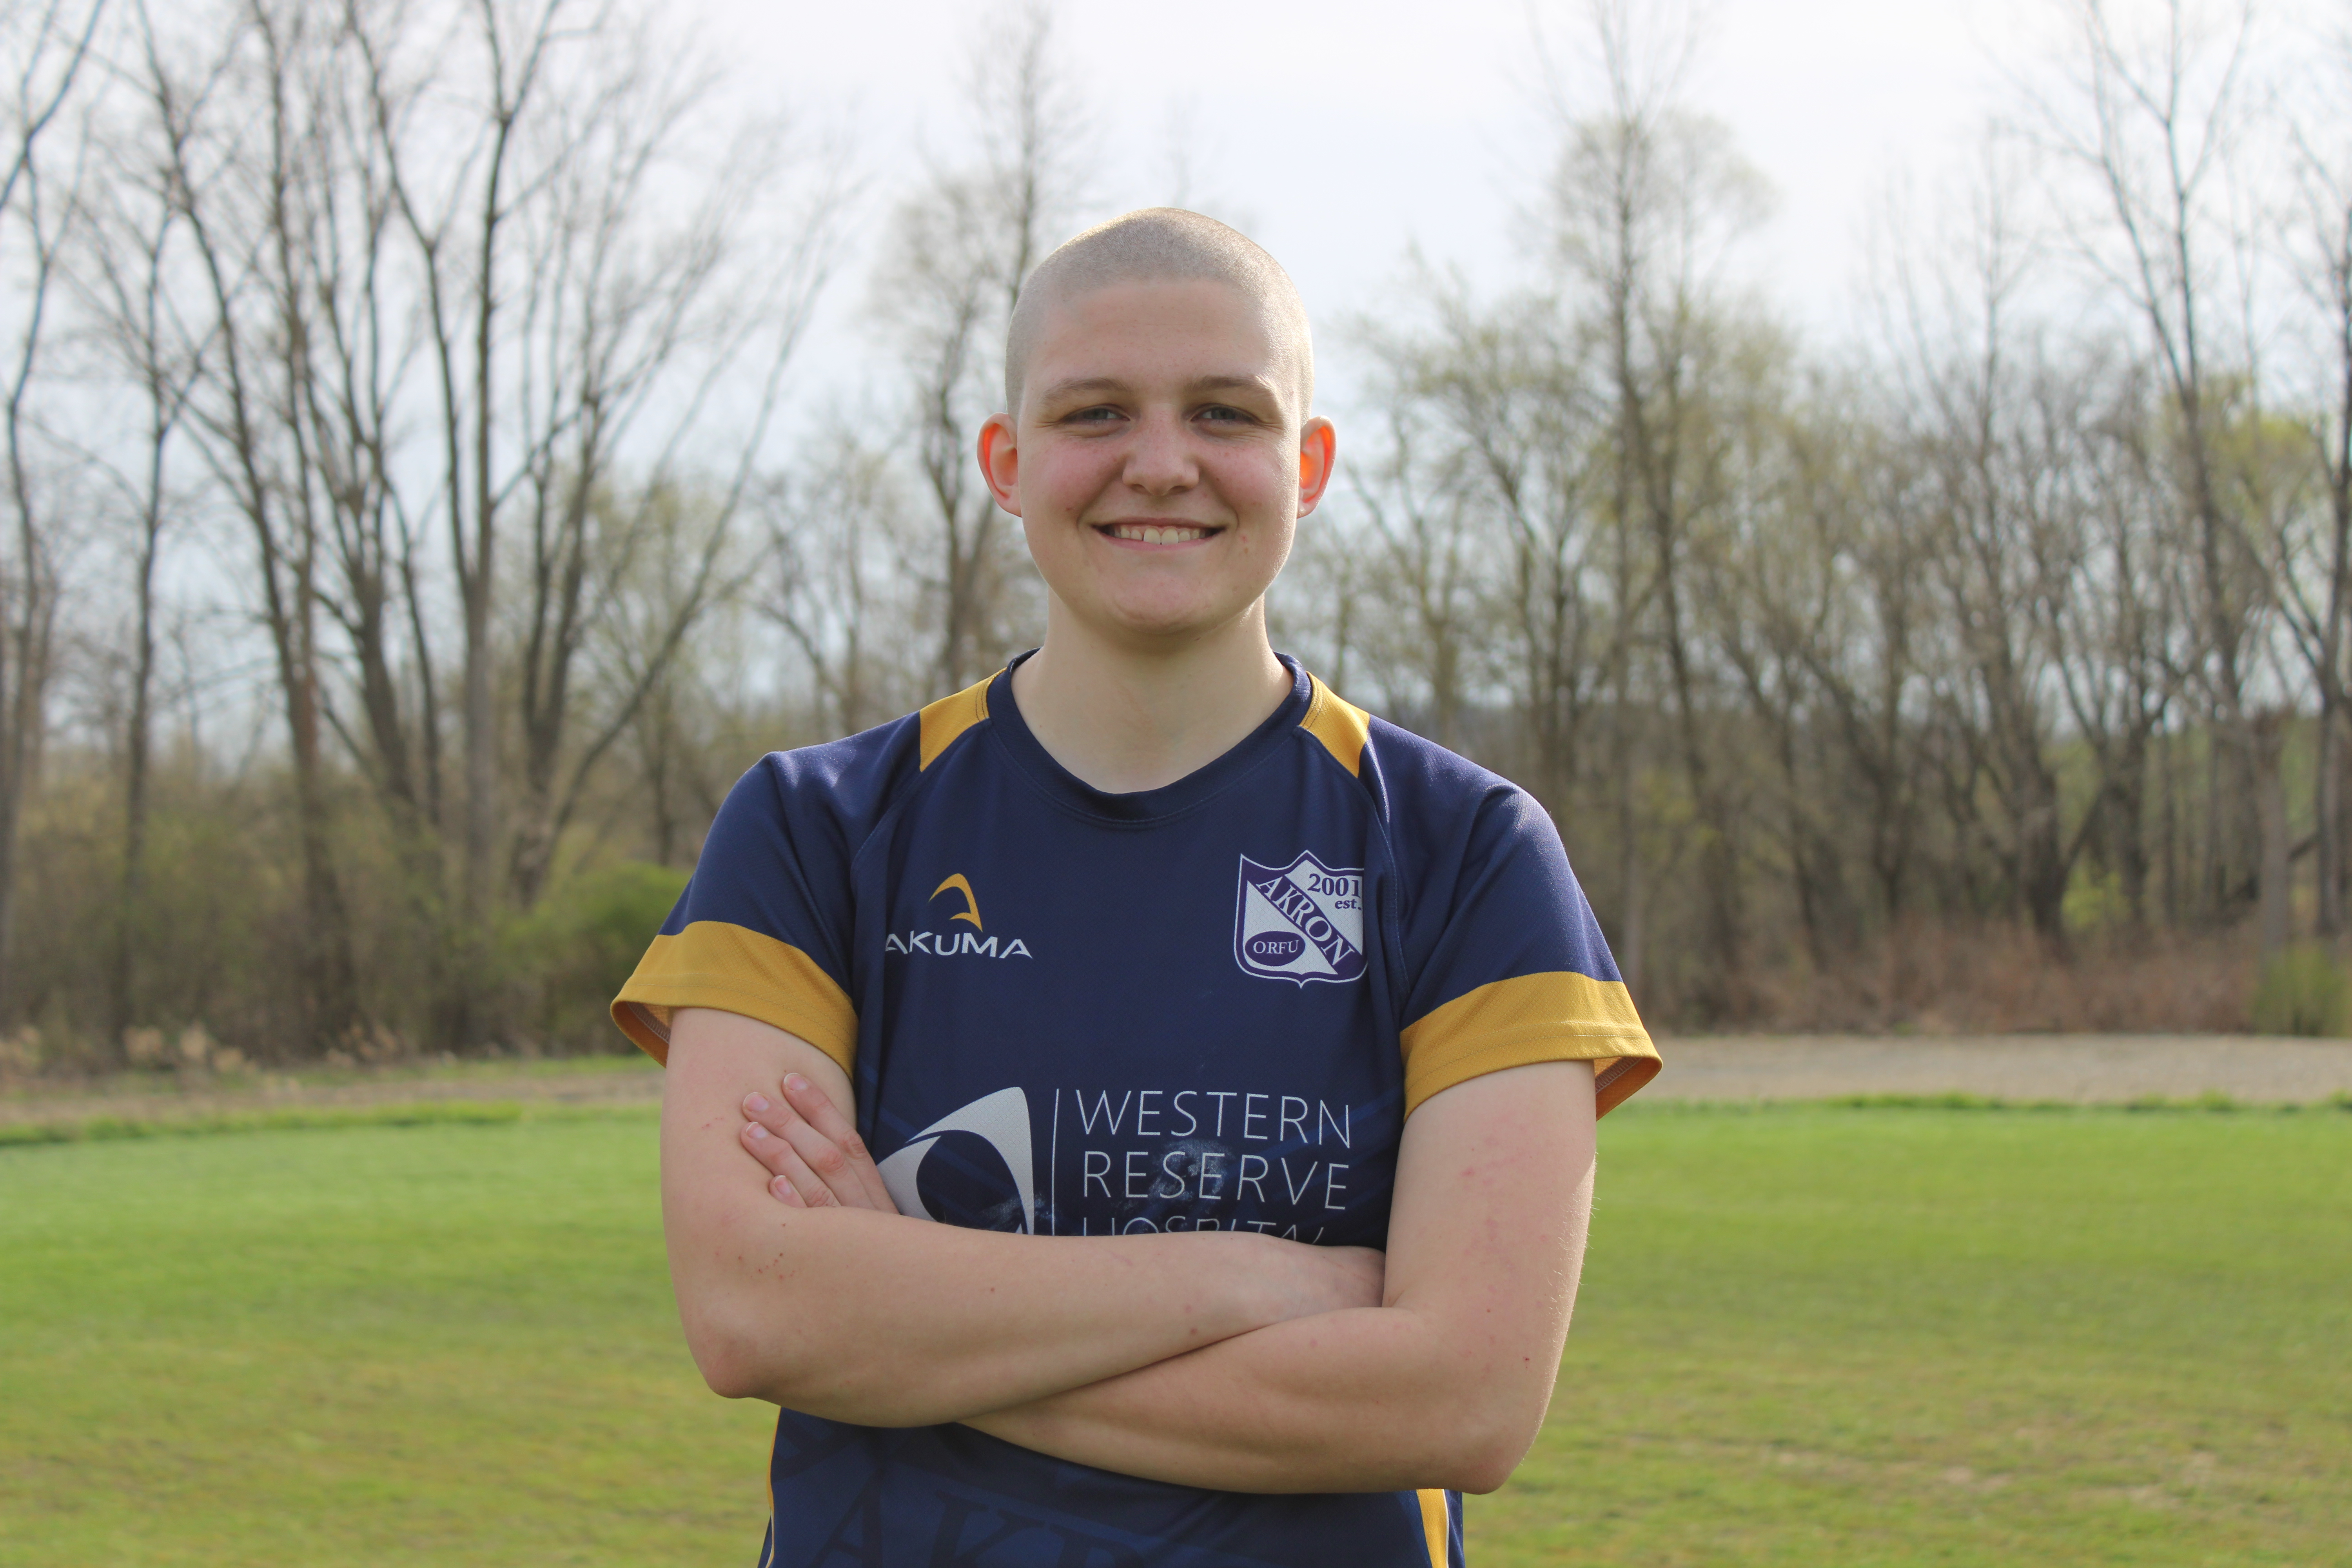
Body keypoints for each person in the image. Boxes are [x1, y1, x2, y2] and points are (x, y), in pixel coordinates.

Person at [610, 207, 1661, 1568]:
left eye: (1226, 414)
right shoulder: (814, 832)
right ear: (1007, 461)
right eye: (1096, 412)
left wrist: (919, 1322)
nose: (1161, 465)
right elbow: (760, 1315)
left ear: (1311, 463)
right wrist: (1261, 1283)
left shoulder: (1468, 854)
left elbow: (1465, 1398)